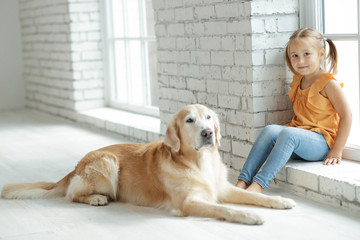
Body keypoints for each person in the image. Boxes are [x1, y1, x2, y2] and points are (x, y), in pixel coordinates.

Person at [235, 28, 352, 193]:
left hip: (321, 143)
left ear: (321, 54)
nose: (300, 60)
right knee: (270, 130)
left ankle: (259, 186)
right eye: (295, 56)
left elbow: (347, 115)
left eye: (306, 54)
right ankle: (242, 182)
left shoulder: (328, 83)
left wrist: (337, 150)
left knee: (289, 133)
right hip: (300, 137)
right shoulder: (299, 81)